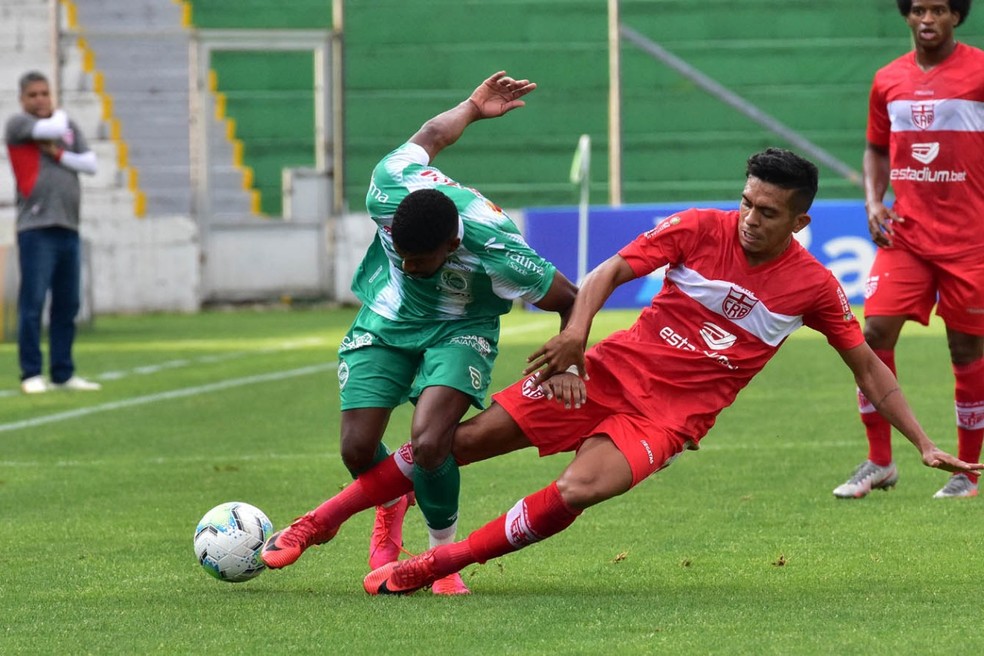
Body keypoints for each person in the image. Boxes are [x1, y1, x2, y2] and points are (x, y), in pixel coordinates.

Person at [259, 146, 983, 595]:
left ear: (798, 223)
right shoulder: (699, 227)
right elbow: (606, 272)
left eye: (767, 213)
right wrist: (575, 339)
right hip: (604, 372)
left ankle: (430, 566)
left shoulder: (816, 288)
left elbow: (871, 370)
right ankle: (317, 523)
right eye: (746, 201)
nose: (748, 219)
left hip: (666, 418)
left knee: (581, 488)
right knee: (453, 444)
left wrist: (919, 439)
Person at [262, 71, 576, 595]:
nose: (409, 265)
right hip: (387, 319)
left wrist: (566, 360)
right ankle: (390, 502)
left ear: (453, 244)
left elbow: (571, 299)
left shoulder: (500, 251)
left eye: (421, 260)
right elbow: (431, 136)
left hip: (460, 329)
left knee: (430, 442)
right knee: (358, 449)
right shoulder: (387, 188)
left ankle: (440, 560)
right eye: (400, 254)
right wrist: (473, 107)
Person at [832, 0, 984, 500]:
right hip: (906, 234)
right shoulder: (887, 80)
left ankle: (967, 469)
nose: (927, 18)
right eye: (918, 8)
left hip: (970, 240)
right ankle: (880, 461)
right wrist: (874, 202)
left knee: (966, 348)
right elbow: (876, 147)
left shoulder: (980, 71)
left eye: (939, 9)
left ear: (957, 16)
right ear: (906, 14)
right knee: (872, 334)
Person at [5, 71, 101, 395]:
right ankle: (31, 372)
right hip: (36, 227)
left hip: (68, 226)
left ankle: (63, 372)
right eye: (33, 95)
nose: (40, 100)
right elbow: (55, 128)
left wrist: (58, 154)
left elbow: (90, 164)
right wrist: (59, 120)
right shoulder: (19, 125)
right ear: (22, 99)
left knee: (67, 304)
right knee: (33, 302)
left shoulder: (66, 127)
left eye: (45, 93)